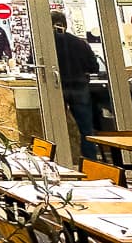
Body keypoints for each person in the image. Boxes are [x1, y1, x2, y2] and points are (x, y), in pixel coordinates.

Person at [51, 9, 99, 159]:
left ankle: (60, 159)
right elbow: (93, 67)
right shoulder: (80, 43)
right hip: (79, 87)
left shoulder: (46, 44)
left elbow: (33, 63)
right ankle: (90, 162)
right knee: (85, 128)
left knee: (55, 126)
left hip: (57, 88)